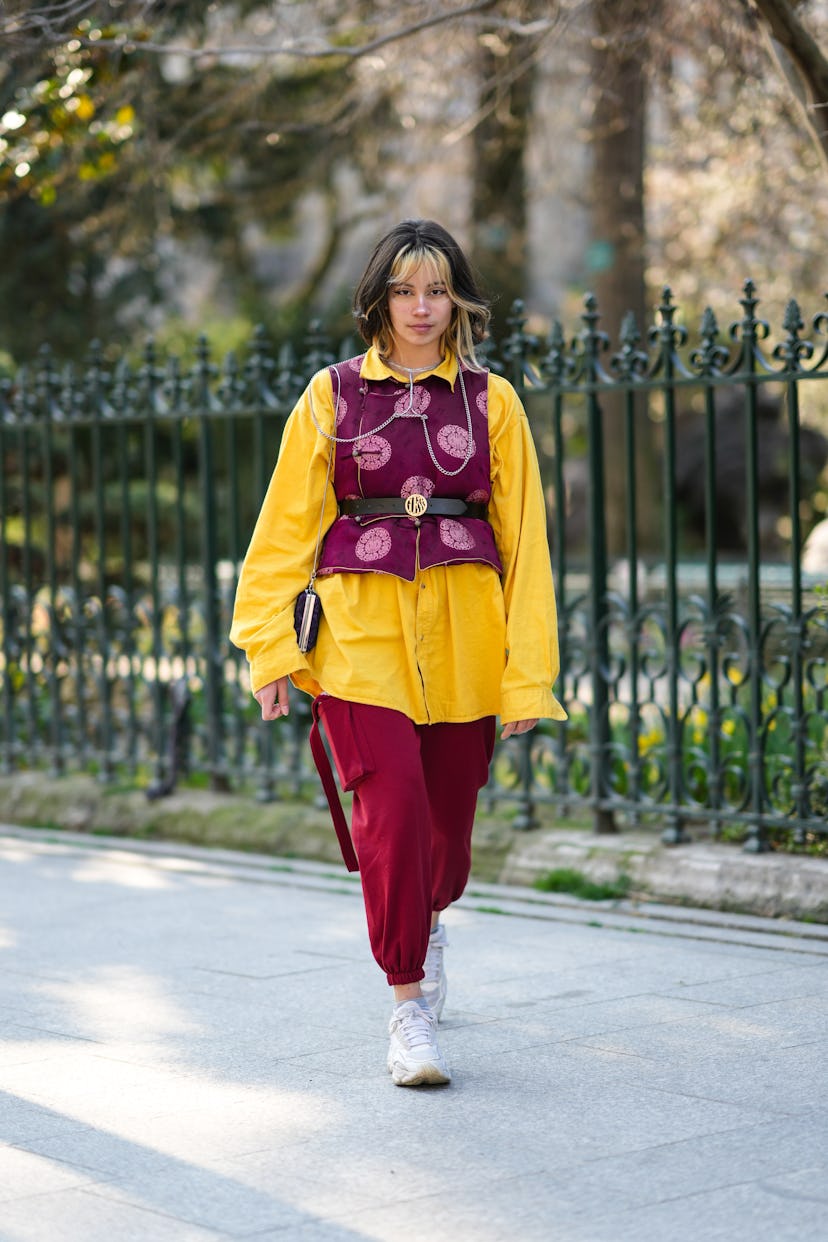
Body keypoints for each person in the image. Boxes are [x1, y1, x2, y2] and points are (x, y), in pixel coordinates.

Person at [230, 219, 566, 1087]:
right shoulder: (331, 396)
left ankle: (429, 916)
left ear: (458, 299)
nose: (422, 308)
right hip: (358, 639)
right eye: (405, 290)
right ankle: (407, 1008)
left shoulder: (494, 403)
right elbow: (282, 534)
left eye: (438, 289)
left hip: (466, 641)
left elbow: (525, 545)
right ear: (378, 298)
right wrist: (270, 649)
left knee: (446, 837)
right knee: (394, 812)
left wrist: (527, 673)